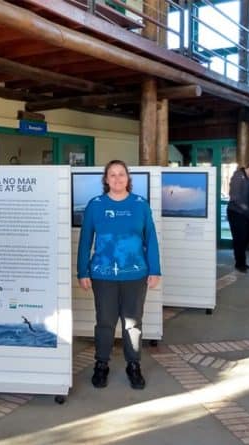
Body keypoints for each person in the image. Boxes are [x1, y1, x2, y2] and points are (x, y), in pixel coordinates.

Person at [77, 160, 161, 390]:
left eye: (121, 174)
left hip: (135, 274)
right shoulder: (95, 205)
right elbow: (85, 240)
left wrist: (154, 269)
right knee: (105, 321)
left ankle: (133, 365)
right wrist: (82, 271)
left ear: (128, 178)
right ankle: (101, 365)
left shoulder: (140, 205)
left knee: (132, 323)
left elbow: (151, 238)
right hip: (103, 275)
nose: (117, 179)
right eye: (112, 175)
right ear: (106, 179)